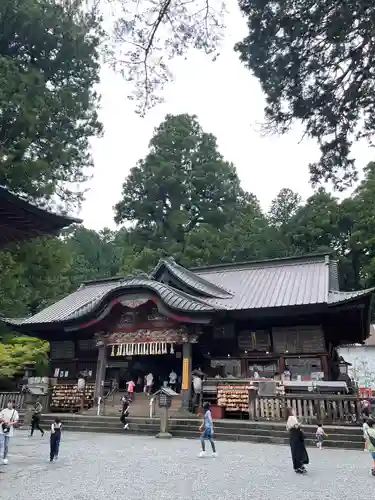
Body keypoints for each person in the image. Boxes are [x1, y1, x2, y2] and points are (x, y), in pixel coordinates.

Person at [286, 407, 309, 474]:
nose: (294, 411)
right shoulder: (291, 417)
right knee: (298, 451)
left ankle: (298, 466)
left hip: (294, 436)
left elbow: (288, 427)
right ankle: (299, 466)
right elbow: (295, 426)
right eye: (293, 410)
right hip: (296, 435)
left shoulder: (290, 418)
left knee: (295, 451)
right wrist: (300, 424)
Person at [0, 400, 19, 465]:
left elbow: (16, 420)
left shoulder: (15, 412)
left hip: (9, 429)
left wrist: (11, 423)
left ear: (13, 404)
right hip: (2, 428)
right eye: (8, 403)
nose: (9, 404)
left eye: (11, 403)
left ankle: (4, 458)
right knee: (1, 443)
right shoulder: (4, 410)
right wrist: (4, 420)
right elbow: (0, 417)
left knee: (6, 445)